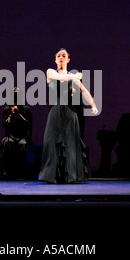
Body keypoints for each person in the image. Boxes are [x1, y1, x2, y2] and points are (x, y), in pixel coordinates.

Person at [38, 48, 98, 184]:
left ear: (68, 60)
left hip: (70, 114)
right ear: (55, 59)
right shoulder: (50, 72)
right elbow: (60, 78)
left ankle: (71, 176)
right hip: (55, 112)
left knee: (71, 143)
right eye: (58, 56)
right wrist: (75, 76)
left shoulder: (73, 77)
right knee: (52, 143)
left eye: (64, 56)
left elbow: (84, 91)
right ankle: (52, 176)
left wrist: (93, 105)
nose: (61, 57)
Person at [0, 87, 33, 179]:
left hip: (22, 136)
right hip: (10, 135)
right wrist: (11, 114)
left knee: (23, 144)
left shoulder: (26, 109)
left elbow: (28, 124)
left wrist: (18, 114)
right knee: (7, 143)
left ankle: (23, 172)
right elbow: (4, 124)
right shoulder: (7, 109)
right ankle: (4, 171)